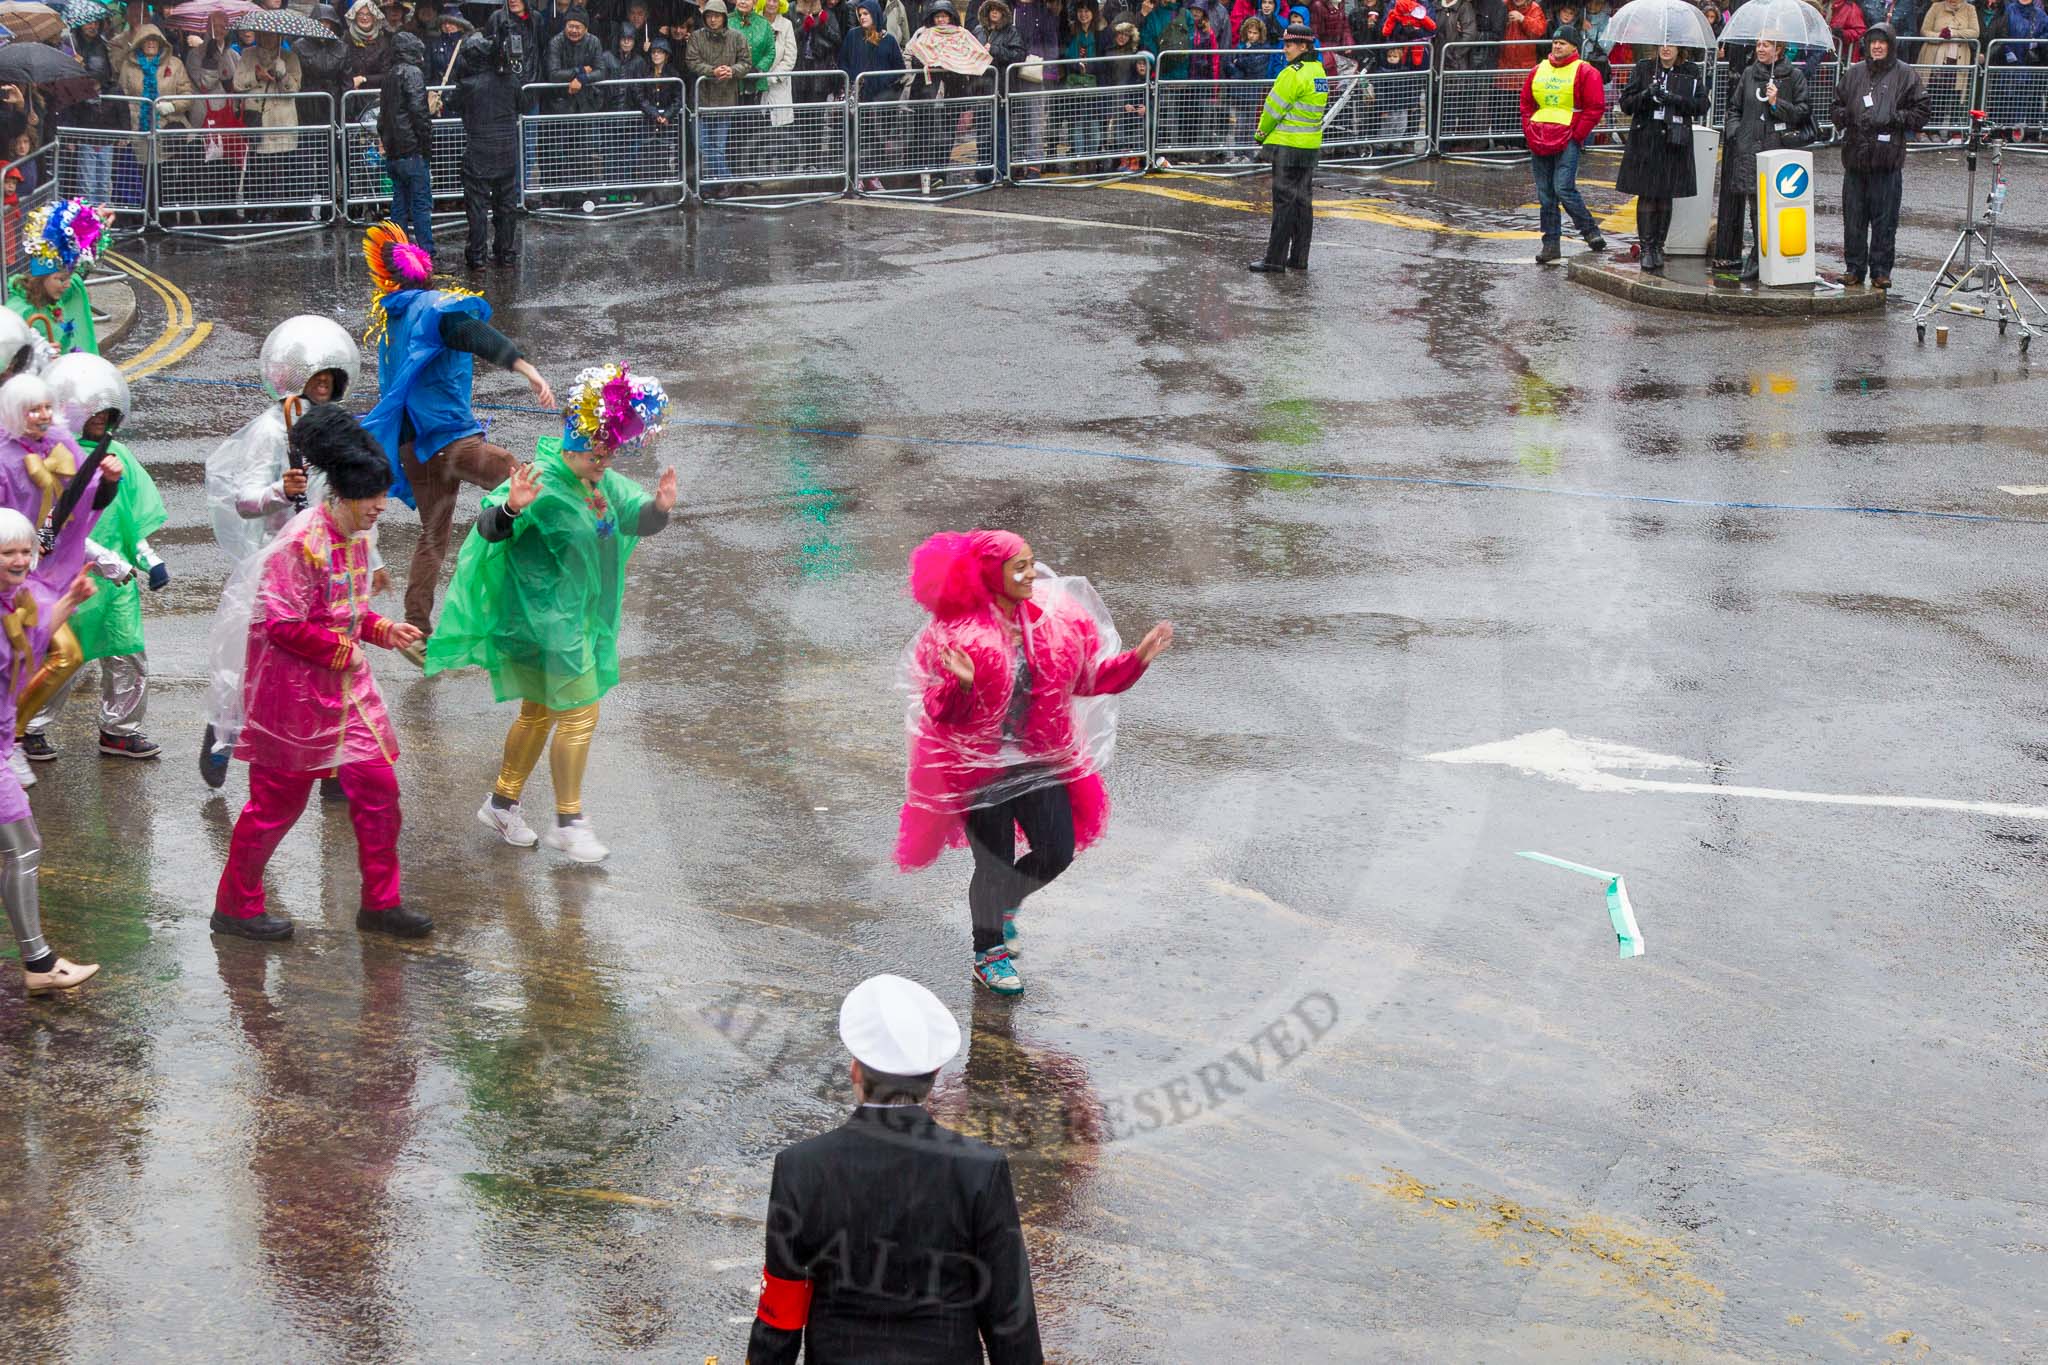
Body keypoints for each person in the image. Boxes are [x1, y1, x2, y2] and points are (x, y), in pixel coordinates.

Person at [896, 530, 1173, 995]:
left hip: (1039, 759)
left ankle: (1002, 907)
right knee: (994, 863)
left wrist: (1136, 660)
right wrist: (962, 685)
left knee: (1056, 851)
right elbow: (939, 712)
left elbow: (1086, 678)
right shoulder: (955, 633)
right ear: (990, 574)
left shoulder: (1056, 620)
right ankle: (989, 953)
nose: (1030, 574)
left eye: (1031, 562)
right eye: (1018, 566)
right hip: (978, 769)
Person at [424, 364, 675, 864]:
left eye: (609, 455)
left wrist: (660, 510)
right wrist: (514, 508)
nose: (605, 462)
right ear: (573, 448)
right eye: (598, 455)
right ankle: (569, 820)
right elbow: (490, 529)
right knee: (581, 714)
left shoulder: (599, 485)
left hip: (566, 624)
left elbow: (635, 517)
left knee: (538, 713)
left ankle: (501, 804)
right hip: (541, 627)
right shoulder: (541, 482)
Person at [207, 407, 430, 944]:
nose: (382, 506)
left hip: (347, 690)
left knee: (379, 790)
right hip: (292, 696)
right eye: (374, 498)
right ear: (347, 496)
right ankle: (236, 906)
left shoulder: (355, 537)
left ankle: (381, 903)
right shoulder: (301, 542)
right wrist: (344, 650)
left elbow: (347, 614)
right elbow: (280, 622)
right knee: (276, 807)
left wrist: (383, 631)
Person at [745, 973, 1043, 1364]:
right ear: (934, 1077)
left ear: (855, 1070)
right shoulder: (979, 1170)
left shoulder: (801, 1167)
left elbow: (780, 1317)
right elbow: (1009, 1313)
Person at [201, 314, 378, 789]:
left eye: (330, 382)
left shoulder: (339, 430)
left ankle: (335, 762)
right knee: (252, 660)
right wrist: (280, 490)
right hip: (276, 565)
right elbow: (244, 500)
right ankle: (223, 731)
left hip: (331, 567)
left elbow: (355, 499)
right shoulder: (269, 432)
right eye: (314, 381)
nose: (321, 390)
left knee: (339, 653)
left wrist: (372, 564)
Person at [358, 221, 554, 641]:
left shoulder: (394, 317)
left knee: (433, 535)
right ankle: (545, 568)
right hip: (449, 442)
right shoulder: (436, 310)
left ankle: (415, 627)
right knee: (517, 476)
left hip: (416, 449)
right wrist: (527, 369)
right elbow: (476, 336)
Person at [25, 355, 166, 763]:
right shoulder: (55, 457)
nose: (102, 418)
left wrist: (149, 559)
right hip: (68, 577)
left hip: (117, 581)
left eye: (108, 411)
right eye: (94, 411)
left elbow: (128, 521)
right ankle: (29, 726)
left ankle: (120, 731)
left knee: (128, 654)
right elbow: (59, 529)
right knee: (64, 656)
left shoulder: (117, 455)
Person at [0, 502, 107, 994]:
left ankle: (39, 963)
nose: (21, 560)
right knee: (24, 848)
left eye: (25, 551)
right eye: (8, 553)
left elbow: (34, 640)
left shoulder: (11, 600)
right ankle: (40, 966)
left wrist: (67, 599)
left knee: (22, 849)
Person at [1833, 24, 1929, 288]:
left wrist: (1895, 118)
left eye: (1881, 42)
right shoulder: (1854, 74)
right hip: (1854, 159)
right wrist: (1844, 116)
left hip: (1886, 162)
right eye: (1872, 41)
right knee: (1853, 218)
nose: (1876, 46)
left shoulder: (1905, 75)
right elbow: (1837, 103)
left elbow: (1921, 112)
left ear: (1890, 45)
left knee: (1884, 221)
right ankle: (1854, 268)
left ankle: (1880, 271)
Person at [1712, 37, 1808, 278]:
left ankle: (1769, 255)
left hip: (1778, 149)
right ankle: (1759, 254)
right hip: (1750, 148)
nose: (1760, 49)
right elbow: (1735, 108)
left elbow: (1803, 112)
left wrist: (1778, 103)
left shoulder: (1794, 76)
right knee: (1755, 205)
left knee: (1775, 207)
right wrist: (1737, 132)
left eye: (1766, 45)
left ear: (1779, 49)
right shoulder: (1748, 73)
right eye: (1758, 45)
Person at [1615, 41, 1708, 273]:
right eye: (1663, 45)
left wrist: (1675, 99)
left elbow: (1701, 105)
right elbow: (1626, 103)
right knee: (1647, 194)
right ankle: (1646, 248)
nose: (1666, 49)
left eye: (1672, 46)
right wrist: (1648, 94)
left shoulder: (1691, 70)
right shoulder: (1644, 68)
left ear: (1680, 49)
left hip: (1674, 140)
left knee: (1666, 195)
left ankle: (1658, 246)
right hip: (1646, 139)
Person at [1521, 26, 1605, 264]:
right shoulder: (1539, 69)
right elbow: (1526, 102)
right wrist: (1529, 129)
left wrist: (1576, 135)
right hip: (1540, 137)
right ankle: (1551, 244)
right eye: (1555, 42)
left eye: (1563, 43)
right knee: (1546, 194)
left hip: (1567, 137)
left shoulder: (1586, 72)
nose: (1557, 46)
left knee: (1563, 189)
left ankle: (1590, 231)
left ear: (1574, 47)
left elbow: (1594, 107)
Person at [1246, 22, 1324, 273]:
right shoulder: (1318, 71)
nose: (1285, 49)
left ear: (1303, 46)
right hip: (1309, 146)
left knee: (1283, 205)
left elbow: (1273, 109)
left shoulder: (1293, 73)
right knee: (1303, 204)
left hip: (1288, 146)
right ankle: (1299, 258)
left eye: (1289, 44)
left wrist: (1261, 133)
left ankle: (1274, 260)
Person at [447, 29, 523, 267]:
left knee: (478, 207)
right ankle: (506, 252)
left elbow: (453, 105)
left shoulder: (468, 85)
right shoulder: (510, 80)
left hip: (479, 152)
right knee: (506, 205)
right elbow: (523, 103)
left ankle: (477, 255)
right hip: (507, 152)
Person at [7, 200, 112, 359]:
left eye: (68, 277)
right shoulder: (19, 310)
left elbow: (82, 270)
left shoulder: (57, 294)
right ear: (41, 277)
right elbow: (7, 358)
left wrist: (96, 229)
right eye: (61, 279)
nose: (68, 284)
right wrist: (39, 353)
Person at [687, 0, 755, 191]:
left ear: (724, 17)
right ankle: (728, 180)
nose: (713, 19)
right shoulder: (696, 37)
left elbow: (746, 62)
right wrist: (712, 71)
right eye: (709, 16)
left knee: (717, 148)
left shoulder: (737, 37)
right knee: (703, 147)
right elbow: (692, 61)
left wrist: (732, 70)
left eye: (716, 16)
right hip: (701, 99)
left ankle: (715, 185)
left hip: (725, 98)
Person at [380, 31, 438, 259]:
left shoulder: (389, 75)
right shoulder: (413, 73)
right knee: (421, 205)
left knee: (399, 206)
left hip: (394, 151)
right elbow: (419, 113)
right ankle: (426, 255)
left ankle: (400, 255)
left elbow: (383, 117)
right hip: (412, 150)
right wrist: (426, 145)